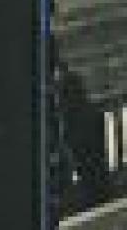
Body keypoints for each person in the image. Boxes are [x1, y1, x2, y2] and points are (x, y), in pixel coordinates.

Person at [48, 54, 112, 214]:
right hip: (91, 124)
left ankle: (99, 203)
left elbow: (65, 111)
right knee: (98, 167)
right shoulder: (73, 78)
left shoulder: (59, 85)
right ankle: (105, 200)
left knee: (89, 171)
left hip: (80, 132)